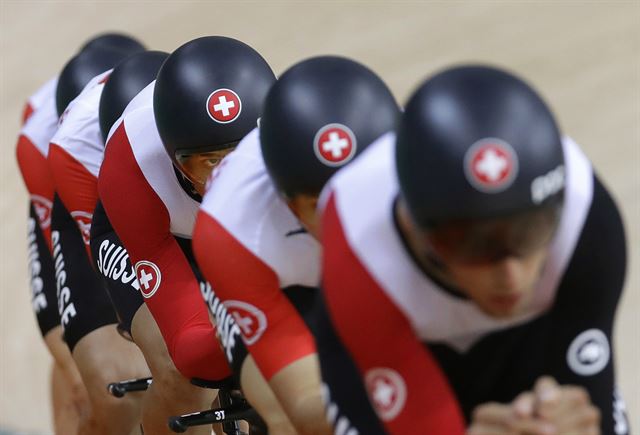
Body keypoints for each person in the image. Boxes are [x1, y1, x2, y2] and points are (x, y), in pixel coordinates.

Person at [314, 65, 630, 435]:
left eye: (530, 233)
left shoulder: (586, 218)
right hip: (394, 340)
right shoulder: (359, 249)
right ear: (417, 230)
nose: (509, 276)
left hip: (533, 333)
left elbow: (586, 404)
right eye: (471, 244)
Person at [192, 55, 399, 435]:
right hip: (275, 280)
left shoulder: (417, 181)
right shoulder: (230, 227)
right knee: (290, 421)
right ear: (283, 198)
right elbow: (305, 402)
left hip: (347, 274)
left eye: (355, 196)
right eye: (318, 205)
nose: (341, 217)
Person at [97, 36, 276, 434]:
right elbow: (193, 349)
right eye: (207, 162)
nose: (226, 177)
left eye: (242, 153)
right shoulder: (131, 169)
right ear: (170, 154)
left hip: (228, 231)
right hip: (156, 231)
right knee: (180, 375)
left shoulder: (287, 149)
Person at [15, 33, 144, 434]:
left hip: (143, 180)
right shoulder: (42, 142)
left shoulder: (159, 104)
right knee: (89, 379)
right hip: (67, 199)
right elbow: (64, 273)